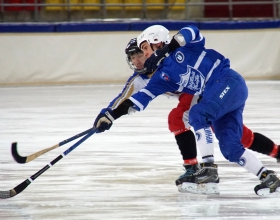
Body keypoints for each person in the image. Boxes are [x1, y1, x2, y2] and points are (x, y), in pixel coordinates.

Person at [93, 27, 280, 196]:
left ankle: (207, 168)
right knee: (231, 147)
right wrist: (111, 115)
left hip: (227, 82)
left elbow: (192, 31)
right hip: (214, 95)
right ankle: (268, 177)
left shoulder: (184, 49)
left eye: (144, 49)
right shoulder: (160, 77)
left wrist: (166, 50)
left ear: (157, 42)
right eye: (137, 54)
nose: (142, 57)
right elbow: (141, 97)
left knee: (197, 115)